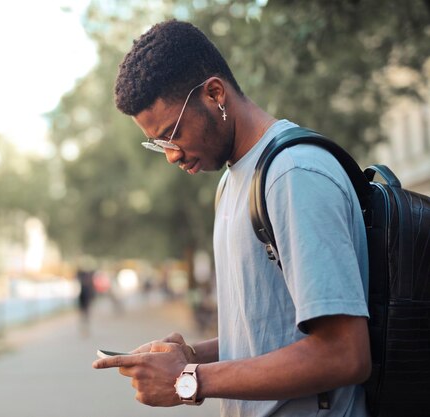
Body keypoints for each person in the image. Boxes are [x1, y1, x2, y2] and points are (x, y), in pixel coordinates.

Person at [92, 20, 371, 416]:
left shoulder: (293, 175)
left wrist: (188, 380)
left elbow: (344, 354)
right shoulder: (230, 183)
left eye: (173, 133)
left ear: (215, 94)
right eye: (158, 143)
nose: (171, 154)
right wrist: (189, 355)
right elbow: (268, 335)